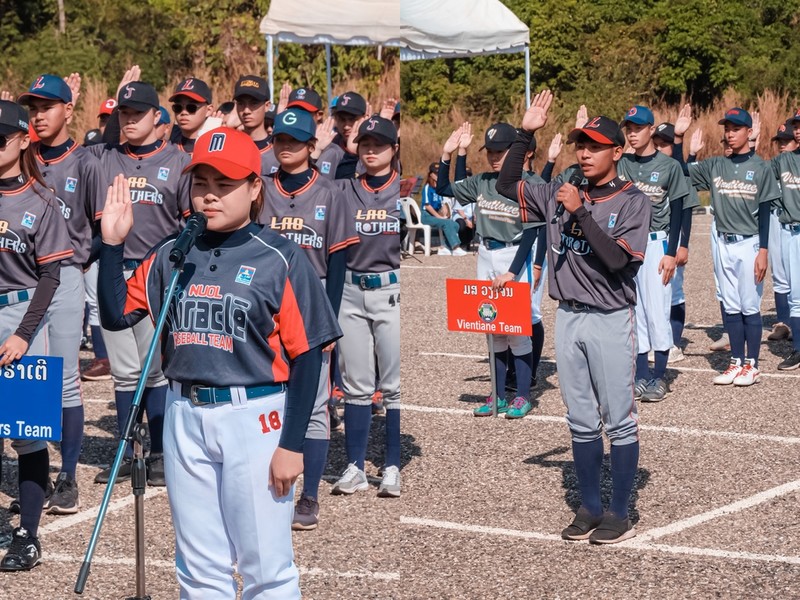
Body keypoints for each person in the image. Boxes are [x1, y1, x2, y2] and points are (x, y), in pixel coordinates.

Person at [98, 127, 340, 598]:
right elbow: (114, 315)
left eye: (224, 185)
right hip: (183, 412)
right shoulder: (172, 253)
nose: (209, 196)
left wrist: (292, 444)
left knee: (265, 567)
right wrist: (112, 244)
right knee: (198, 566)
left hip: (255, 415)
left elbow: (309, 354)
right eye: (201, 183)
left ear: (254, 189)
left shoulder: (280, 256)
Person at [495, 90, 650, 544]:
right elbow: (508, 184)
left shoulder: (633, 200)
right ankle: (589, 506)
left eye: (595, 145)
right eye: (581, 144)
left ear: (617, 152)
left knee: (618, 418)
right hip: (569, 317)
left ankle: (620, 512)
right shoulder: (563, 191)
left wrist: (580, 212)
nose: (584, 152)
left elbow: (619, 263)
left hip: (610, 317)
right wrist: (526, 133)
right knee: (581, 419)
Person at [258, 108, 359, 531]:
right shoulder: (260, 189)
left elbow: (337, 262)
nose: (286, 148)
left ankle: (310, 495)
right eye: (280, 140)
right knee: (269, 397)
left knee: (315, 405)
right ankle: (264, 486)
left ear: (310, 147)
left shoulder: (331, 193)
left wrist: (329, 322)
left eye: (295, 142)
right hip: (267, 297)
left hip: (314, 294)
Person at [93, 77, 192, 485]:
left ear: (157, 117)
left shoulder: (178, 160)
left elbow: (190, 226)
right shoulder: (106, 157)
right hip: (115, 266)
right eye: (124, 113)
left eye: (138, 113)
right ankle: (125, 449)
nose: (129, 119)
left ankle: (158, 451)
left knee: (155, 371)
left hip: (156, 272)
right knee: (123, 371)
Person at [18, 74, 106, 514]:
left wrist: (83, 262)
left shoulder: (85, 162)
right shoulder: (21, 155)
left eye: (48, 105)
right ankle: (34, 478)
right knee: (29, 375)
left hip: (66, 274)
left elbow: (101, 223)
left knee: (66, 378)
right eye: (33, 107)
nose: (39, 114)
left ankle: (67, 476)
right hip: (22, 279)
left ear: (68, 110)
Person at [0, 100, 74, 570]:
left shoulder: (42, 200)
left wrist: (26, 335)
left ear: (25, 140)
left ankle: (28, 533)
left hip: (20, 314)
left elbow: (50, 277)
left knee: (26, 434)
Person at [437, 122, 545, 419]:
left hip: (514, 254)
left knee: (517, 330)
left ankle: (522, 396)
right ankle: (497, 396)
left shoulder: (528, 185)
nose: (494, 156)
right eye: (491, 151)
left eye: (501, 151)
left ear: (516, 151)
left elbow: (533, 232)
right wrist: (450, 154)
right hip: (486, 253)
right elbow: (445, 189)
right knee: (492, 328)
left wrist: (513, 271)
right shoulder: (483, 181)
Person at [330, 115, 401, 501]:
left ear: (393, 149)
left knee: (393, 387)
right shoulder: (343, 189)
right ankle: (355, 465)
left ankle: (391, 464)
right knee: (356, 385)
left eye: (380, 143)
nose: (371, 150)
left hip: (390, 289)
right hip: (351, 289)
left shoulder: (401, 189)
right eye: (365, 143)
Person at [685, 108, 780, 385]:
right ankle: (736, 361)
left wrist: (763, 251)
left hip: (749, 243)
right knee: (730, 305)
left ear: (749, 133)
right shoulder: (716, 165)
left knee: (750, 306)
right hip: (723, 242)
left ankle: (752, 364)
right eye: (727, 128)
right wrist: (686, 148)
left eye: (736, 128)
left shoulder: (761, 167)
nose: (730, 133)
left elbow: (764, 212)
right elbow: (681, 172)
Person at [617, 105, 689, 401]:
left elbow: (679, 209)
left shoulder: (669, 165)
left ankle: (659, 376)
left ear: (651, 129)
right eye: (628, 129)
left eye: (637, 128)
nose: (632, 134)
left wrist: (672, 252)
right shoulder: (621, 164)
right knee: (634, 313)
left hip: (657, 243)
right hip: (628, 245)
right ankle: (640, 375)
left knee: (658, 312)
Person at [651, 119, 701, 363]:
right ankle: (655, 339)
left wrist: (684, 244)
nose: (659, 148)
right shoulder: (653, 168)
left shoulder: (677, 170)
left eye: (664, 145)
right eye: (656, 144)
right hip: (652, 236)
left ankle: (673, 343)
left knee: (673, 291)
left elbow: (688, 208)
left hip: (674, 234)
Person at [770, 110, 800, 369]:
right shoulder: (785, 160)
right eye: (796, 125)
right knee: (797, 297)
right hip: (792, 232)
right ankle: (798, 349)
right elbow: (754, 170)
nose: (797, 130)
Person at [765, 118, 798, 343]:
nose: (783, 144)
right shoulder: (779, 164)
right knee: (781, 276)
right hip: (780, 222)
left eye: (787, 140)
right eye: (780, 141)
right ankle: (784, 323)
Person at [233, 75, 278, 176]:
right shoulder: (230, 145)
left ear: (267, 106)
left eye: (253, 103)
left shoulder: (278, 149)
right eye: (241, 104)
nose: (246, 111)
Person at [420, 161, 465, 256]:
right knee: (446, 223)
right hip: (426, 215)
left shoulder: (440, 188)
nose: (437, 175)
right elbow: (427, 206)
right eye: (435, 173)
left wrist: (444, 213)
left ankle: (444, 247)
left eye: (439, 173)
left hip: (436, 215)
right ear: (431, 174)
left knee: (455, 225)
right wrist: (439, 217)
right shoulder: (428, 187)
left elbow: (442, 204)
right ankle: (455, 247)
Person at [169, 77, 214, 153]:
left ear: (208, 110)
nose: (183, 112)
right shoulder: (167, 147)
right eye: (178, 107)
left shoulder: (218, 146)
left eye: (191, 107)